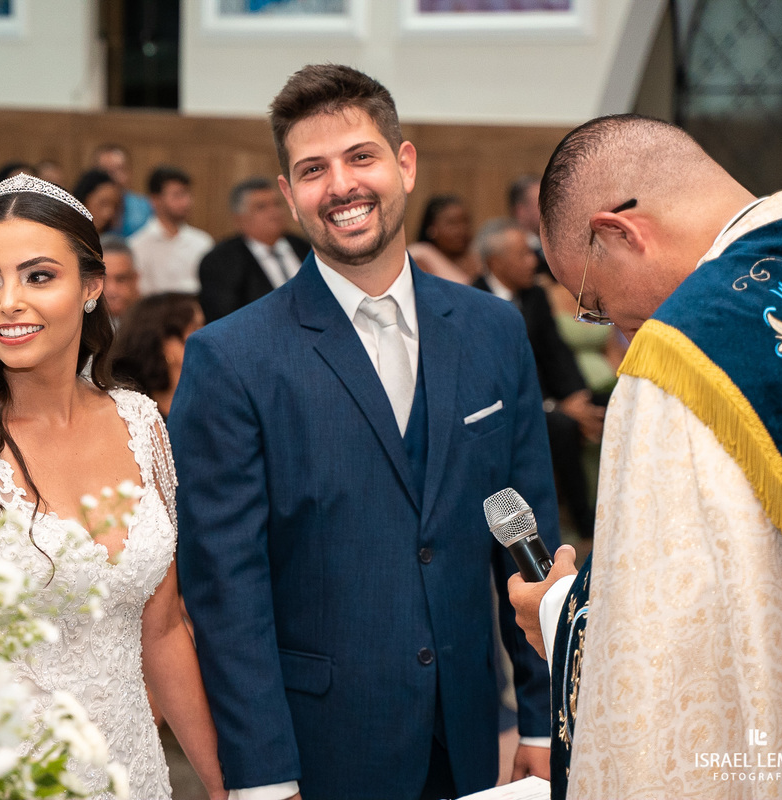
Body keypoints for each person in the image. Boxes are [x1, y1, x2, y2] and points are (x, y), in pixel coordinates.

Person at [170, 64, 557, 800]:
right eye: (312, 170)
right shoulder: (231, 357)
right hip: (320, 750)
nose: (341, 185)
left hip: (472, 739)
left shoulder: (492, 331)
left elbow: (527, 536)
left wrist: (540, 722)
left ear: (404, 164)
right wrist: (262, 775)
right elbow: (227, 589)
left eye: (361, 157)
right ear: (288, 195)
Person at [507, 113, 782, 800]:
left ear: (618, 233)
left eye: (594, 304)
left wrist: (558, 610)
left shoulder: (680, 357)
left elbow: (668, 671)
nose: (616, 330)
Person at [0, 173, 228, 800]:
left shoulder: (142, 423)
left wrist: (225, 784)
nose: (8, 301)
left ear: (92, 287)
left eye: (38, 276)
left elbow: (163, 628)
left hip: (133, 772)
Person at [472, 218, 604, 538]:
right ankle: (578, 522)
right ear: (496, 263)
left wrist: (576, 396)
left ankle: (609, 512)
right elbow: (492, 376)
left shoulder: (534, 295)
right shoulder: (473, 300)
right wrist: (552, 405)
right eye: (523, 254)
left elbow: (555, 351)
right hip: (507, 406)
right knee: (561, 426)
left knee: (605, 406)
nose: (533, 260)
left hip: (551, 393)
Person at [197, 176, 310, 322]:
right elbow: (224, 318)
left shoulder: (305, 246)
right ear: (240, 219)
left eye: (277, 204)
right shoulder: (220, 261)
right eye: (261, 207)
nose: (274, 212)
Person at [111, 292, 204, 417]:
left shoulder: (213, 397)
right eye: (195, 329)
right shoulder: (133, 413)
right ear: (165, 343)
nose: (206, 337)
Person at [128, 166, 213, 295]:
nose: (186, 202)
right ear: (155, 200)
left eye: (187, 194)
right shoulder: (137, 245)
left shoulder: (202, 242)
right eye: (177, 195)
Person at [408, 195, 481, 285]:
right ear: (431, 228)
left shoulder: (474, 256)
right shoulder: (419, 256)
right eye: (452, 223)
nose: (461, 230)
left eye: (465, 222)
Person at [94, 143, 153, 237]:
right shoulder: (85, 210)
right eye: (106, 171)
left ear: (129, 172)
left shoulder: (146, 208)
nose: (113, 177)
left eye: (119, 170)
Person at [101, 233, 140, 320]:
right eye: (103, 280)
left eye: (121, 279)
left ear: (135, 279)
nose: (112, 290)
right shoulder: (74, 328)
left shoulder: (155, 323)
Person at [72, 169, 123, 235]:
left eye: (115, 206)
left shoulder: (113, 239)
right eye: (103, 203)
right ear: (84, 200)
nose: (109, 213)